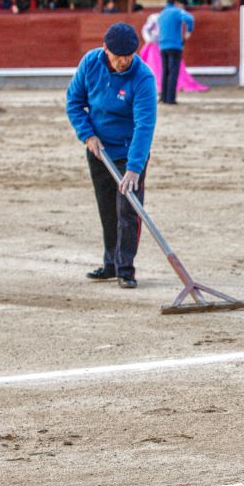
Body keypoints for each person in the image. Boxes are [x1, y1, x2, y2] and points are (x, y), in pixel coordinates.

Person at [66, 23, 157, 289]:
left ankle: (126, 268)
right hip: (98, 150)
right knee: (107, 208)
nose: (123, 61)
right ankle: (110, 264)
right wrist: (87, 135)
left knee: (128, 210)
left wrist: (134, 168)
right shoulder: (90, 63)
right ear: (105, 49)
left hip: (130, 154)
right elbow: (74, 102)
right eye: (118, 56)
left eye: (128, 56)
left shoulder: (143, 78)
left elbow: (144, 125)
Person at [141, 11, 209, 93]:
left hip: (165, 45)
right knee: (161, 67)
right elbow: (145, 29)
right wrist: (149, 40)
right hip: (159, 46)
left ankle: (166, 89)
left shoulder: (168, 17)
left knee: (167, 68)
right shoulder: (155, 17)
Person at [157, 0, 195, 105]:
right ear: (176, 3)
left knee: (165, 72)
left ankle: (163, 97)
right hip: (175, 46)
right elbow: (190, 19)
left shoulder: (162, 14)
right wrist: (188, 32)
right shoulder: (177, 11)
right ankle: (170, 99)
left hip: (163, 46)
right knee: (173, 72)